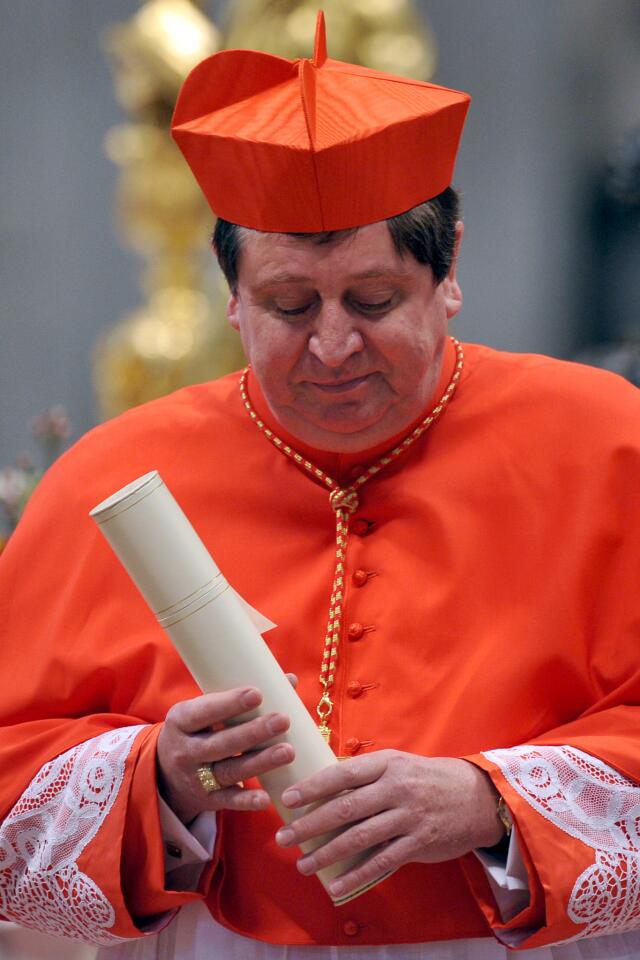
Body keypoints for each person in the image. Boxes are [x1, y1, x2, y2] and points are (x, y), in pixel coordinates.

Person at [0, 11, 639, 960]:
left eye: (374, 302)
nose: (333, 346)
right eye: (289, 305)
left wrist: (490, 801)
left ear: (447, 269)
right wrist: (158, 779)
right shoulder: (114, 476)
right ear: (230, 295)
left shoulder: (610, 446)